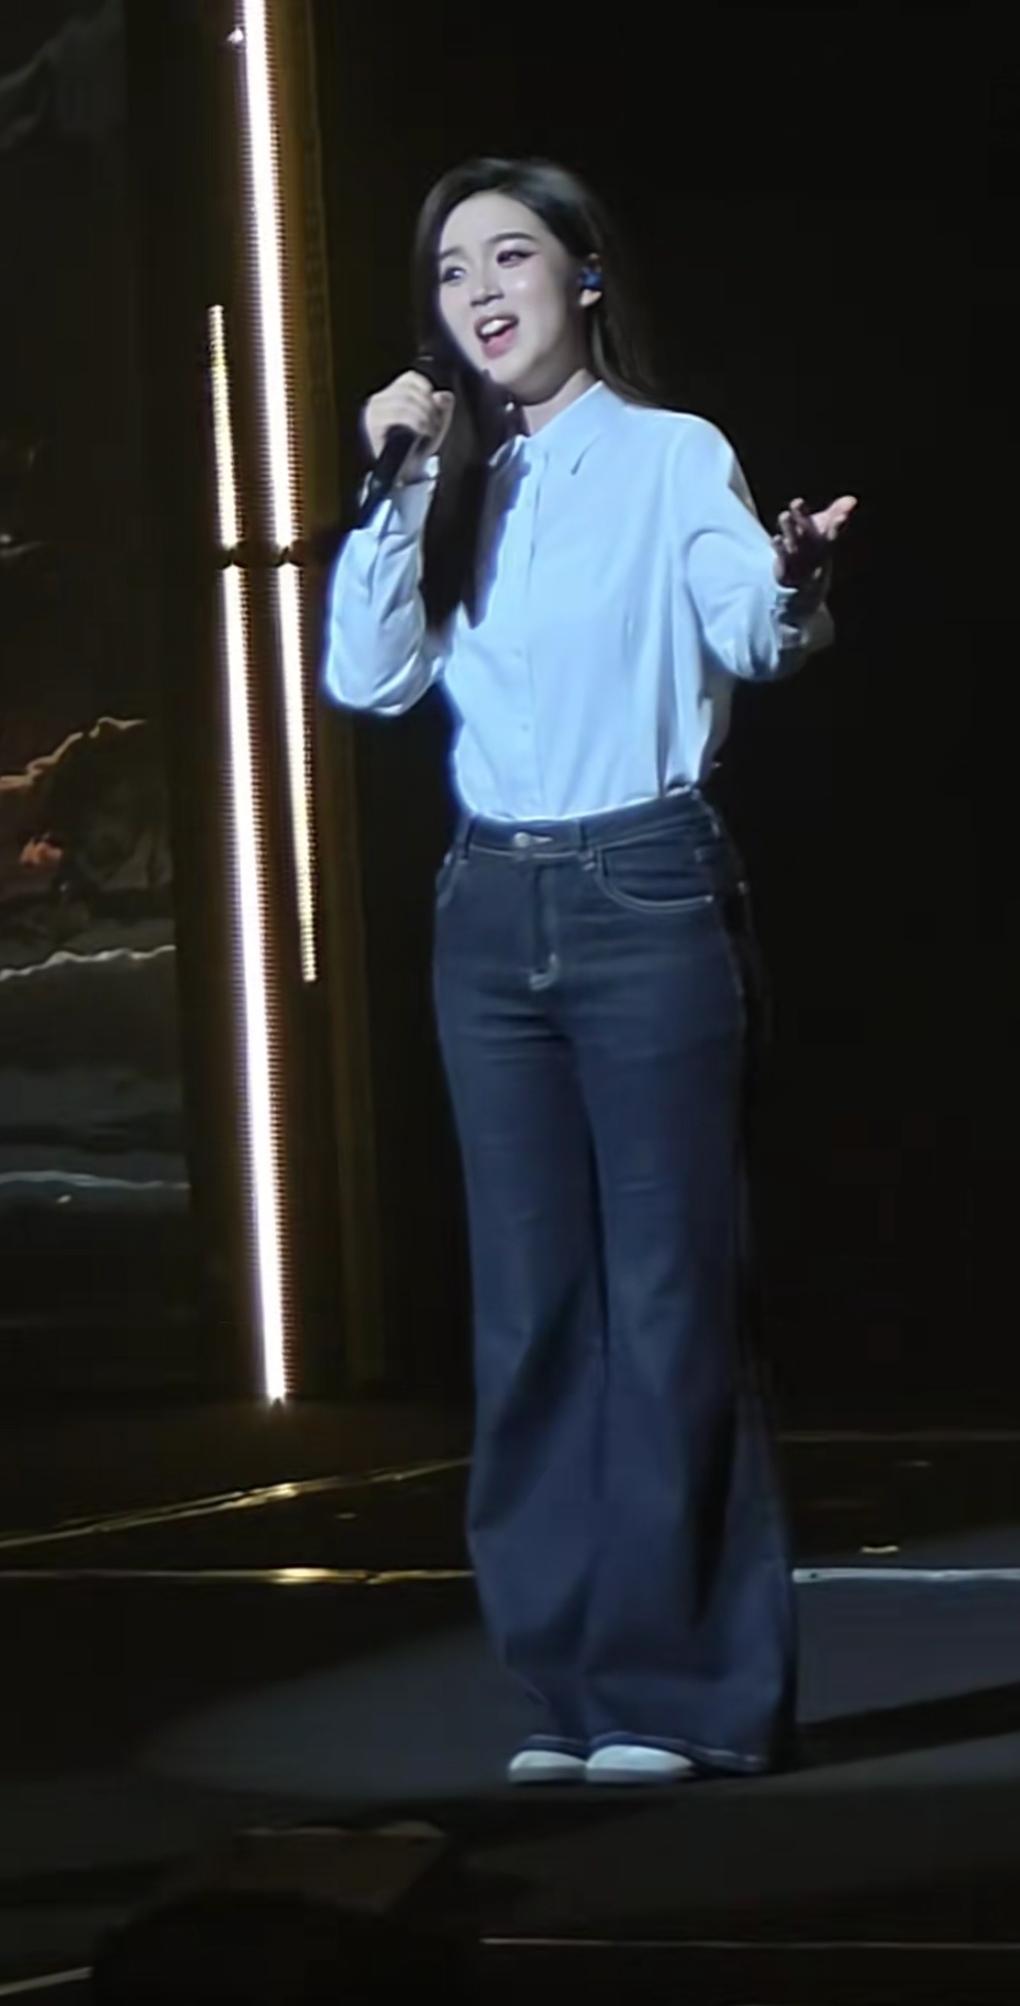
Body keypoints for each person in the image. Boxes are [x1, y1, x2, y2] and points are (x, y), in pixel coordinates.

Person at [321, 156, 856, 1788]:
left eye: (510, 256)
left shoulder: (671, 452)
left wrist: (793, 575)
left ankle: (683, 1693)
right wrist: (398, 483)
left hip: (643, 887)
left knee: (670, 1297)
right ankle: (569, 1688)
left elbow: (752, 632)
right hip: (489, 907)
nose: (480, 292)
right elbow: (365, 676)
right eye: (451, 272)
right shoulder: (452, 474)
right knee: (533, 1310)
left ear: (585, 274)